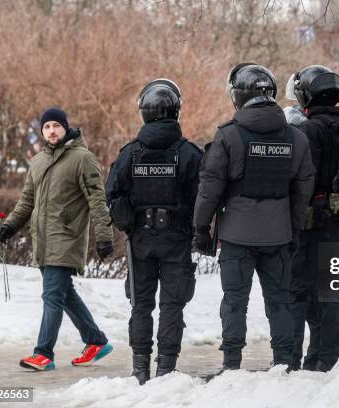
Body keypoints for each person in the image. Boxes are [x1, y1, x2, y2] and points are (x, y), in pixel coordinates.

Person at [192, 63, 315, 370]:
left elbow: (210, 188)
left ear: (238, 95)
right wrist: (294, 227)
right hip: (279, 234)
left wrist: (200, 227)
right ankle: (284, 363)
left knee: (234, 302)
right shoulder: (297, 138)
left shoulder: (228, 136)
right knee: (281, 302)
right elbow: (303, 190)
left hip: (236, 235)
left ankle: (231, 364)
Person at [0, 107, 114, 371]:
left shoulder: (82, 159)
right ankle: (96, 341)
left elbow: (97, 199)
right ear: (42, 131)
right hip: (43, 241)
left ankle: (44, 354)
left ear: (65, 128)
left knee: (52, 295)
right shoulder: (38, 161)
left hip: (66, 238)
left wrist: (104, 236)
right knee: (64, 295)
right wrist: (9, 226)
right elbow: (27, 200)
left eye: (56, 126)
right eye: (47, 126)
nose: (51, 131)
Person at [105, 79, 202, 384]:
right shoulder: (189, 153)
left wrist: (127, 224)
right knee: (172, 304)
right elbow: (203, 195)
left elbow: (112, 192)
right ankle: (166, 369)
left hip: (141, 238)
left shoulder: (129, 152)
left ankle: (140, 369)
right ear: (176, 111)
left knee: (141, 304)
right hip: (177, 237)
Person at [284, 64, 339, 372]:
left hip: (309, 221)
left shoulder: (306, 131)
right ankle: (325, 350)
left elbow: (299, 177)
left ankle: (293, 357)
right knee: (330, 287)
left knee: (299, 288)